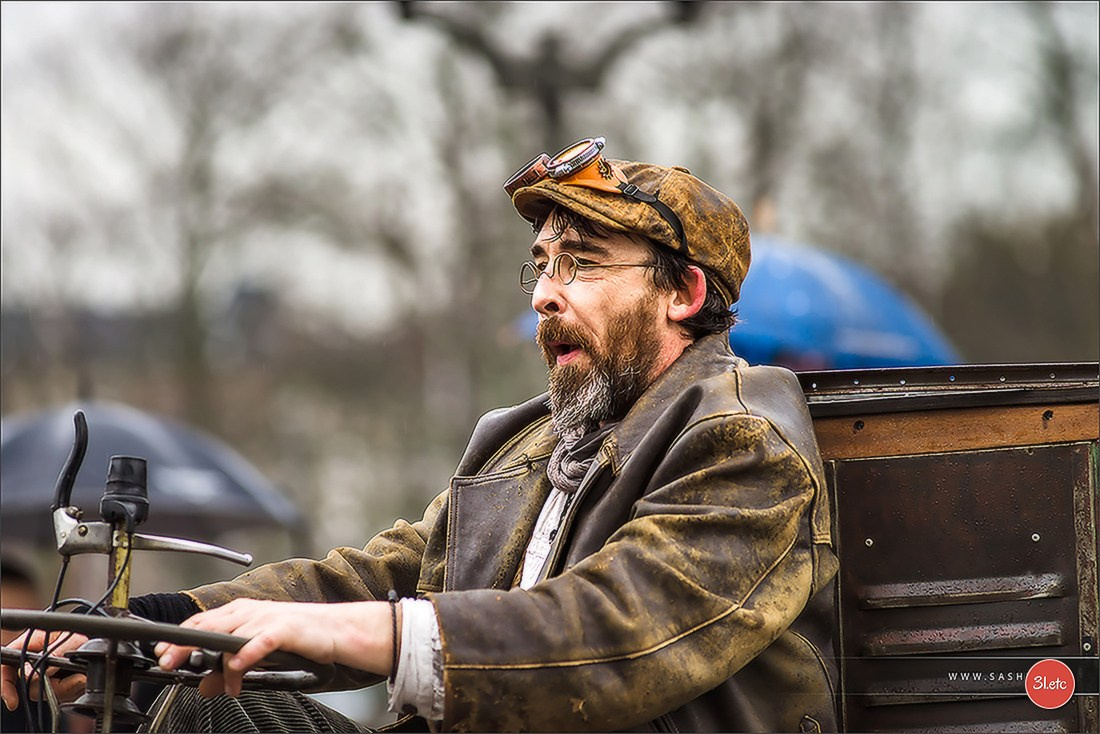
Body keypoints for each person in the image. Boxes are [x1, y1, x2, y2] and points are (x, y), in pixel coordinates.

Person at [2, 136, 839, 732]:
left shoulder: (743, 442)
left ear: (683, 294)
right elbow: (377, 576)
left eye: (581, 262)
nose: (545, 293)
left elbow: (615, 633)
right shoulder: (522, 443)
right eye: (542, 265)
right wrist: (153, 625)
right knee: (202, 708)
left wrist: (382, 632)